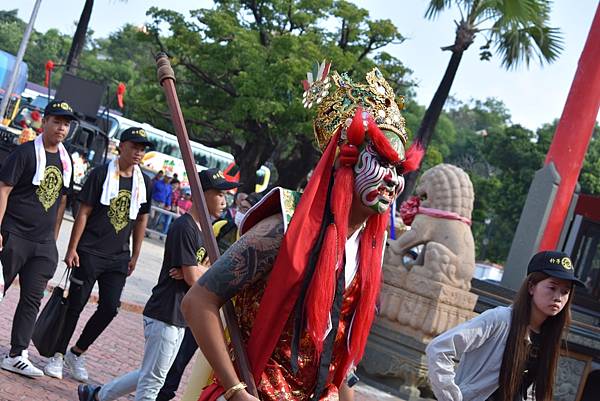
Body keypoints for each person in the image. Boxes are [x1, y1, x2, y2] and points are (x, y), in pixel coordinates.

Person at [181, 65, 423, 401]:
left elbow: (338, 362)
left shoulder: (369, 249)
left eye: (399, 169)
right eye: (381, 161)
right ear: (346, 160)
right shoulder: (283, 229)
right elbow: (199, 301)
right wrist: (236, 390)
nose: (393, 179)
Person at [76, 170, 234, 401]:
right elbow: (193, 277)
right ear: (202, 194)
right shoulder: (185, 227)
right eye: (218, 193)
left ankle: (98, 395)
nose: (224, 200)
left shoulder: (204, 231)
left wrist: (198, 270)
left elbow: (203, 271)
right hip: (166, 312)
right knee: (154, 382)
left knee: (151, 374)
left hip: (179, 314)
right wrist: (197, 271)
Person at [43, 127, 152, 382]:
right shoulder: (101, 173)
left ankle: (77, 352)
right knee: (75, 305)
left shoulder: (144, 182)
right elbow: (83, 212)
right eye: (134, 146)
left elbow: (142, 218)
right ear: (121, 146)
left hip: (118, 257)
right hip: (90, 251)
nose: (138, 152)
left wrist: (136, 254)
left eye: (142, 148)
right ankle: (57, 355)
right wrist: (72, 248)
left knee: (110, 308)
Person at [426, 250, 583, 401]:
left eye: (565, 291)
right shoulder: (499, 319)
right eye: (552, 287)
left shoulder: (547, 336)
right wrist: (452, 397)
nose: (558, 297)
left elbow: (528, 391)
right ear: (531, 287)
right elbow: (438, 349)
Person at [0, 100, 75, 377]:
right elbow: (3, 190)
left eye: (66, 124)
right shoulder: (24, 153)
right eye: (56, 121)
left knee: (32, 300)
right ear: (44, 122)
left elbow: (61, 201)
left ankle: (17, 354)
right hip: (14, 234)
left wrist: (52, 243)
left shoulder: (67, 162)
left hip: (43, 244)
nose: (61, 128)